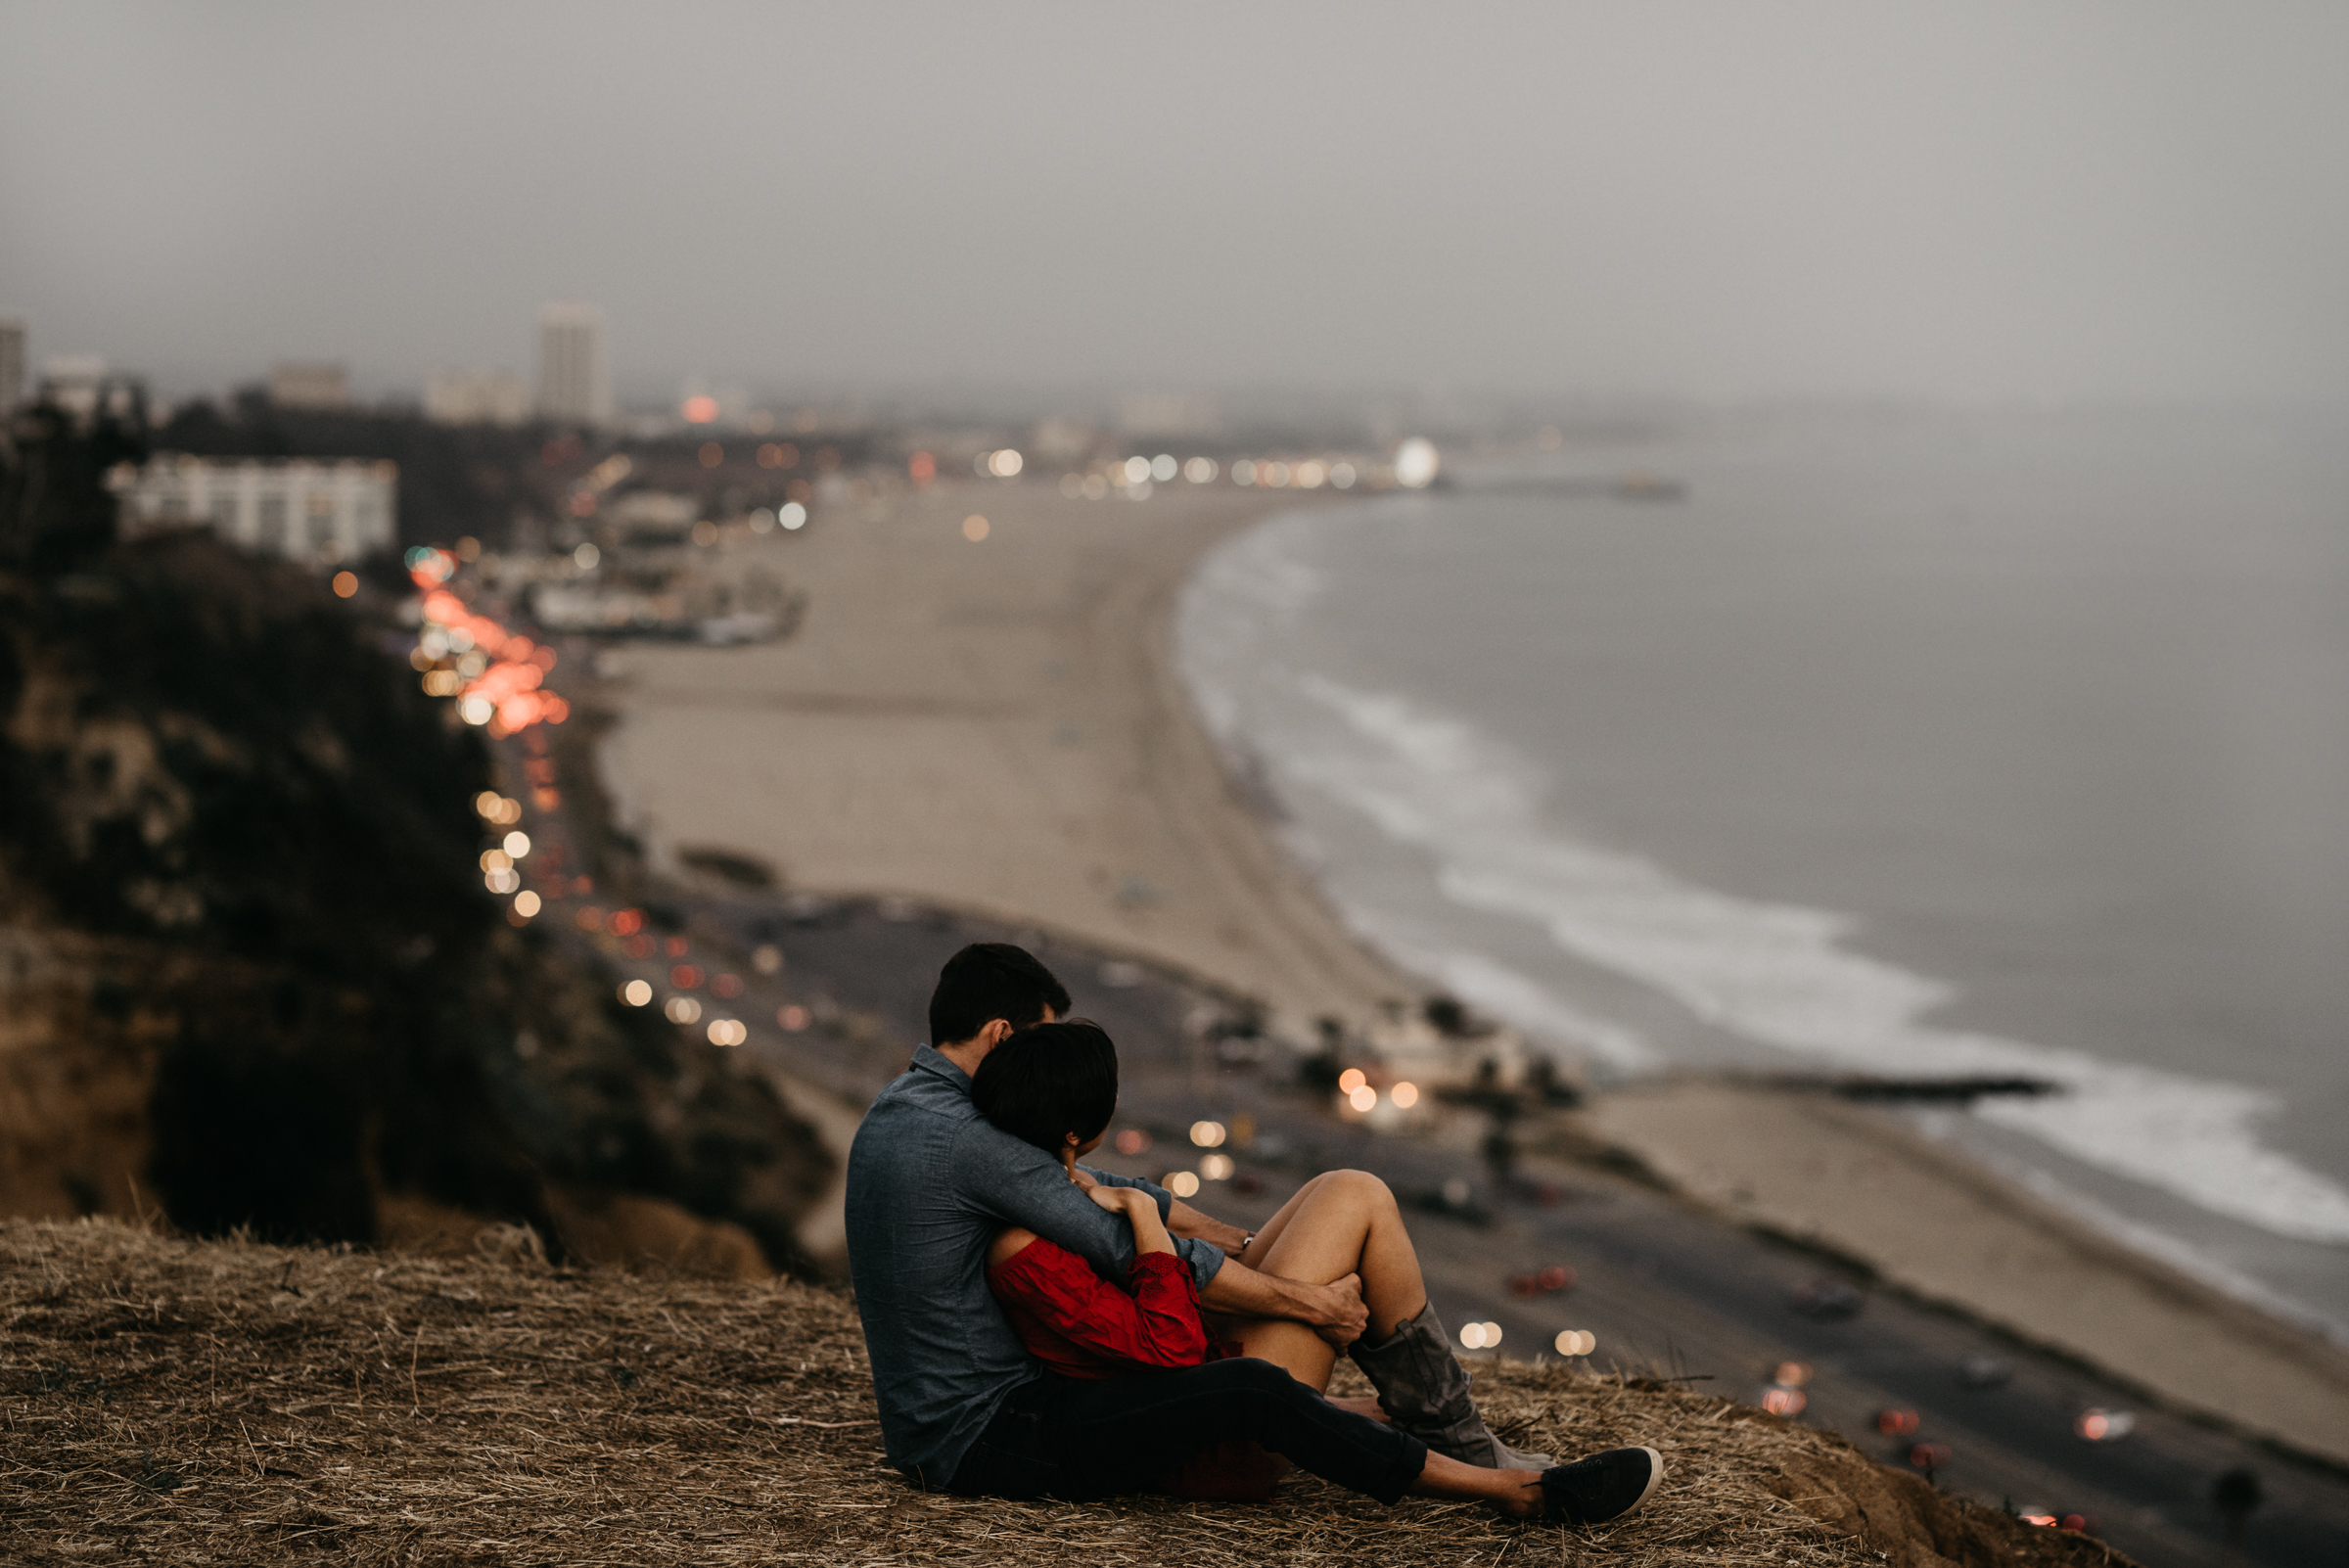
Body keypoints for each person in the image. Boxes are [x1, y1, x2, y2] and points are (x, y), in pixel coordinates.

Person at [843, 943, 1665, 1523]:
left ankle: (1447, 1430)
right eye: (1045, 1039)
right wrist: (1306, 1301)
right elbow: (1126, 1244)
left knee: (1348, 1188)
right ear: (1001, 1037)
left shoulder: (913, 1112)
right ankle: (1504, 1486)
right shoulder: (969, 1143)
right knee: (1264, 1374)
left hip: (1018, 1402)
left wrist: (1239, 1240)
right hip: (989, 1436)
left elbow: (1104, 1193)